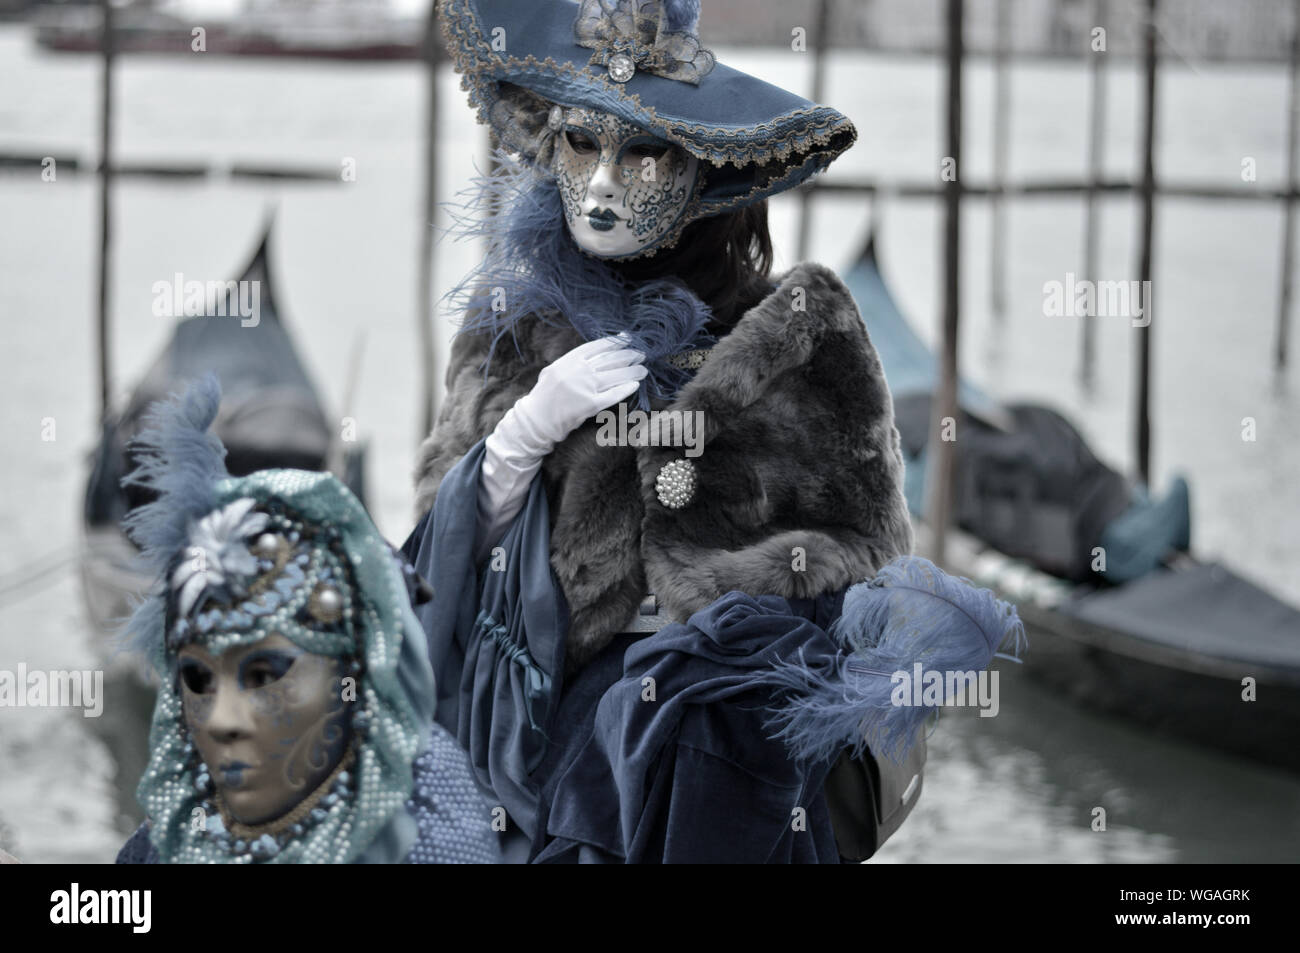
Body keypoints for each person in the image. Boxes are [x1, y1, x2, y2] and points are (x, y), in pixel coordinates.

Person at [403, 0, 1022, 862]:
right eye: (583, 144)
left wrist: (737, 616)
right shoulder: (512, 325)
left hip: (734, 745)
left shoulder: (803, 340)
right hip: (543, 718)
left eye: (643, 149)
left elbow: (867, 546)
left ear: (703, 167)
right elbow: (442, 558)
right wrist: (525, 434)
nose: (605, 183)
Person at [116, 377, 500, 864]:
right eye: (197, 678)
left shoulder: (435, 837)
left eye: (264, 674)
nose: (220, 721)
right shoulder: (175, 830)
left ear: (356, 674)